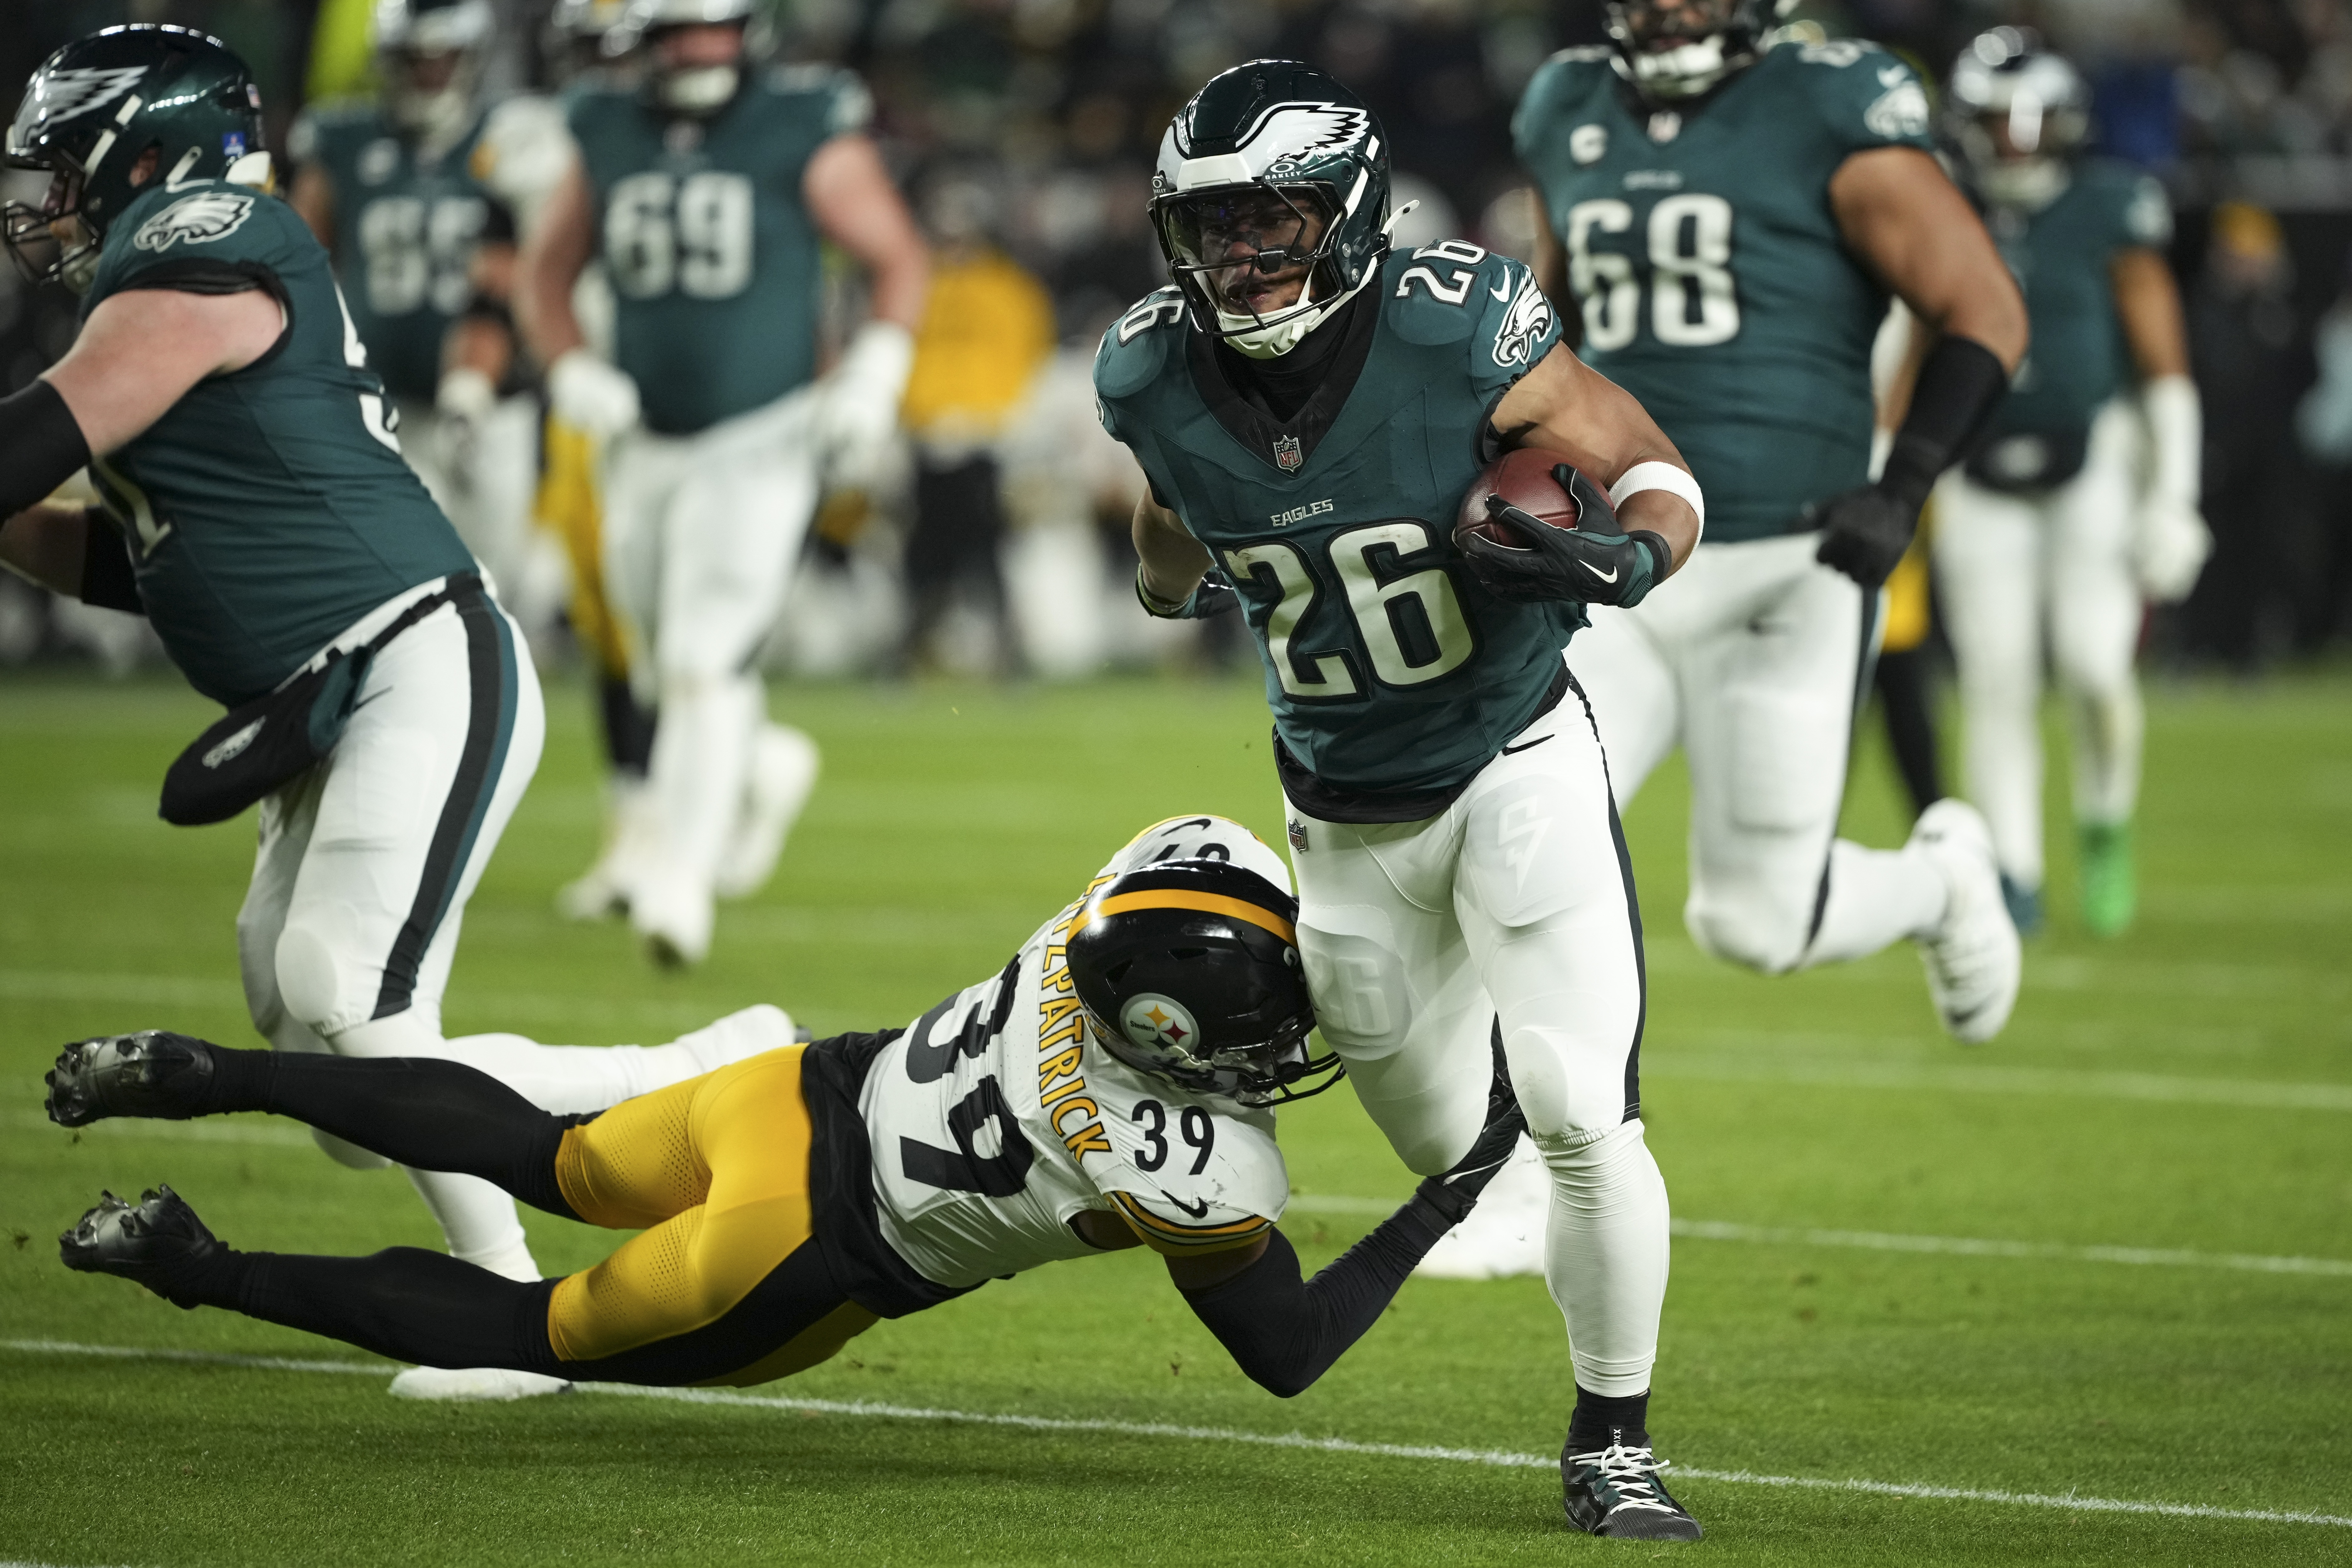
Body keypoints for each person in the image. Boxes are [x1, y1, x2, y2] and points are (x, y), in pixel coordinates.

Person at [0, 25, 770, 1403]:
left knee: (344, 992)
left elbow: (41, 438)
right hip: (331, 697)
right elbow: (146, 559)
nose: (40, 199)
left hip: (418, 655)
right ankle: (700, 1070)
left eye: (62, 166)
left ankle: (509, 1314)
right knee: (341, 1088)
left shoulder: (206, 240)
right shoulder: (152, 285)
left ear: (147, 151)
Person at [1100, 61, 1710, 1540]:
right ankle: (1518, 1136)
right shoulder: (1148, 374)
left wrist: (1622, 559)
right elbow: (1173, 512)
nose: (1240, 260)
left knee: (1577, 1109)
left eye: (1272, 224)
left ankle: (1613, 1438)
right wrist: (1167, 577)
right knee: (1450, 1133)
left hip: (1510, 757)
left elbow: (1644, 463)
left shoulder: (1453, 325)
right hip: (1337, 814)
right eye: (1212, 231)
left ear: (1351, 217)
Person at [48, 821, 1525, 1402]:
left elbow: (1235, 892)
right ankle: (205, 1266)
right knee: (533, 1331)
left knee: (541, 1148)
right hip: (807, 1257)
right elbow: (1286, 1354)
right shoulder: (1200, 1164)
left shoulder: (1145, 876)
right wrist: (1439, 1197)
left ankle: (213, 1073)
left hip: (798, 1094)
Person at [1513, 3, 2027, 1048]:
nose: (1663, 9)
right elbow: (1546, 330)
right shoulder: (1565, 101)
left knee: (1753, 918)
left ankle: (1942, 882)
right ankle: (1521, 1157)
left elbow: (1985, 310)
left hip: (1792, 560)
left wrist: (1906, 481)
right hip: (1623, 562)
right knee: (1516, 839)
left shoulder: (1827, 101)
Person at [515, 0, 929, 967]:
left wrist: (876, 371)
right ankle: (763, 765)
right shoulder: (604, 121)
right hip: (643, 441)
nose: (698, 50)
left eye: (714, 28)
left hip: (764, 433)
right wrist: (569, 362)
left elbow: (895, 255)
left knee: (704, 660)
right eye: (677, 33)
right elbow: (546, 275)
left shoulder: (799, 118)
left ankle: (679, 880)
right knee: (667, 666)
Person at [1930, 30, 2209, 938]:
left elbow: (2161, 357)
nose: (2011, 141)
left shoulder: (2107, 203)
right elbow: (1902, 345)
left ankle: (2102, 821)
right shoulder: (1939, 203)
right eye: (1993, 122)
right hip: (1973, 461)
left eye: (2027, 121)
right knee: (1994, 677)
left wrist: (2173, 492)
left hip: (2091, 450)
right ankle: (2013, 870)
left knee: (2094, 667)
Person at [286, 0, 552, 629]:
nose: (429, 75)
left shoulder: (511, 137)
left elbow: (522, 270)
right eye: (416, 61)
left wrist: (477, 382)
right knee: (391, 594)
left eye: (443, 60)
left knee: (495, 586)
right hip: (381, 403)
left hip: (494, 405)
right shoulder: (343, 138)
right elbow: (296, 262)